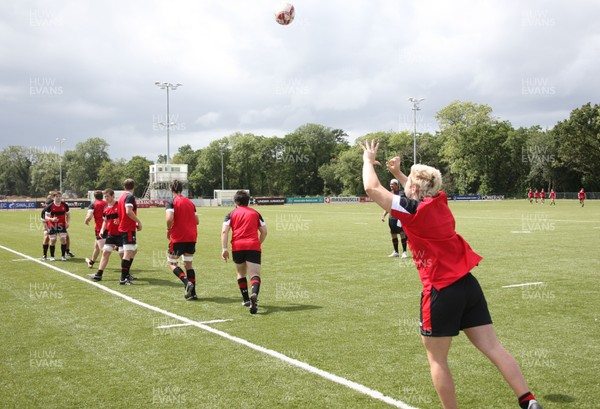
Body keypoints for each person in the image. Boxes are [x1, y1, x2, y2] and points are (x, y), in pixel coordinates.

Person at [360, 140, 542, 409]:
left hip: (441, 291)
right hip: (468, 286)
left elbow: (371, 188)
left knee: (438, 360)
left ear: (413, 190)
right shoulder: (440, 202)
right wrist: (400, 173)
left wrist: (367, 159)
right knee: (494, 347)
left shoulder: (413, 211)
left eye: (408, 181)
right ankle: (528, 400)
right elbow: (420, 189)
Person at [221, 190, 267, 315]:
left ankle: (246, 299)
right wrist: (258, 243)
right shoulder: (256, 213)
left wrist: (224, 249)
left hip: (238, 247)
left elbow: (225, 232)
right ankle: (254, 294)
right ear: (248, 201)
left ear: (236, 202)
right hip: (253, 245)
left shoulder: (231, 214)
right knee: (254, 274)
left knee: (241, 273)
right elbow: (264, 231)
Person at [165, 180, 199, 300]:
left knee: (172, 262)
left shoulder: (171, 201)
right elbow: (197, 221)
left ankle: (186, 282)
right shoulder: (190, 202)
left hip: (178, 238)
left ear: (171, 189)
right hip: (191, 237)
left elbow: (169, 219)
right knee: (188, 264)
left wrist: (168, 230)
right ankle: (193, 294)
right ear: (181, 189)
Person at [88, 189, 123, 281]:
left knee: (123, 255)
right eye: (105, 196)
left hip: (121, 234)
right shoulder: (106, 208)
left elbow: (125, 217)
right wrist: (102, 230)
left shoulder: (119, 206)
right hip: (110, 234)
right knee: (105, 253)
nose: (106, 198)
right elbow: (105, 221)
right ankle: (99, 274)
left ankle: (126, 274)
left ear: (113, 196)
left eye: (108, 196)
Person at [117, 179, 142, 285]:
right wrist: (138, 221)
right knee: (128, 253)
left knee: (134, 250)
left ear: (124, 186)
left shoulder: (122, 197)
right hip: (127, 228)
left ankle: (126, 274)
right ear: (134, 186)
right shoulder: (129, 197)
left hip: (125, 227)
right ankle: (123, 278)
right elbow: (128, 211)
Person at [380, 179, 408, 258]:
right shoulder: (389, 194)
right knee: (393, 234)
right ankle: (396, 252)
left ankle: (405, 252)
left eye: (392, 184)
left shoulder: (403, 193)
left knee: (402, 234)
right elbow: (388, 206)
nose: (391, 186)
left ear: (397, 185)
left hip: (401, 217)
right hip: (392, 217)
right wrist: (383, 215)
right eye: (390, 184)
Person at [44, 191, 70, 261]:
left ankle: (63, 256)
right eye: (57, 197)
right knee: (53, 240)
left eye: (59, 196)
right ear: (53, 198)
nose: (58, 198)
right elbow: (46, 217)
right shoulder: (50, 206)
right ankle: (52, 256)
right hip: (52, 225)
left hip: (62, 225)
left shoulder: (65, 205)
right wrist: (51, 219)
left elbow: (68, 215)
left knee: (63, 240)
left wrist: (67, 222)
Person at [84, 190, 107, 269]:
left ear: (94, 197)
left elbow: (89, 216)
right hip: (108, 226)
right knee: (96, 246)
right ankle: (91, 262)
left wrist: (86, 220)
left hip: (100, 228)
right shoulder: (106, 203)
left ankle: (101, 269)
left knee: (103, 250)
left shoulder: (93, 205)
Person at [40, 195, 53, 260]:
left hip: (57, 226)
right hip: (48, 226)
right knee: (46, 236)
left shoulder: (55, 208)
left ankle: (67, 251)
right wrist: (47, 229)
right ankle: (44, 255)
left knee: (66, 236)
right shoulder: (44, 211)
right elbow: (44, 221)